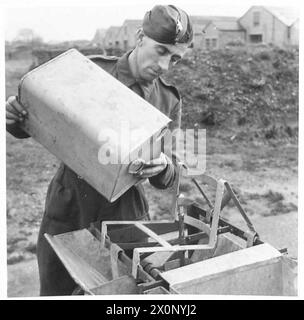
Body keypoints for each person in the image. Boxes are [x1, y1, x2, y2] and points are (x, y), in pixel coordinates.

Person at [6, 4, 193, 296]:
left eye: (176, 59)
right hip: (69, 209)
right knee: (56, 291)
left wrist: (164, 166)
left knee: (121, 295)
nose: (166, 66)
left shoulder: (169, 100)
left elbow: (171, 173)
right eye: (161, 51)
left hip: (124, 215)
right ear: (140, 37)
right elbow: (44, 114)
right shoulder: (89, 72)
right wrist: (15, 118)